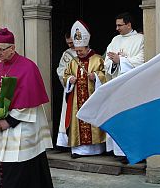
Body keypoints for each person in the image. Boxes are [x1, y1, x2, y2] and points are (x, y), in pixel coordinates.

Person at [0, 28, 57, 188]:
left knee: (17, 167)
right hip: (3, 127)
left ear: (12, 48)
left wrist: (8, 121)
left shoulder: (28, 67)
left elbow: (30, 102)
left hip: (23, 127)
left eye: (2, 49)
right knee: (13, 166)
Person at [59, 21, 107, 158]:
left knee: (92, 121)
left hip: (92, 97)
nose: (78, 53)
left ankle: (96, 149)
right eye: (77, 51)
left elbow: (105, 75)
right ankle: (78, 151)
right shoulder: (73, 62)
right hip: (76, 100)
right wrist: (69, 80)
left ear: (87, 47)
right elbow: (65, 75)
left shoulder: (97, 59)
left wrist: (96, 76)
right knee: (78, 120)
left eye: (80, 51)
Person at [103, 12, 145, 163]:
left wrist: (120, 60)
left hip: (134, 87)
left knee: (133, 119)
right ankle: (119, 152)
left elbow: (142, 60)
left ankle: (135, 153)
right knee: (119, 118)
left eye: (120, 25)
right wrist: (114, 62)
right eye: (116, 25)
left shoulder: (141, 39)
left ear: (129, 24)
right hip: (117, 87)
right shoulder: (115, 40)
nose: (117, 28)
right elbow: (106, 61)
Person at [55, 32, 77, 149]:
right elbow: (60, 70)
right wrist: (68, 78)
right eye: (68, 43)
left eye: (72, 43)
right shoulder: (67, 54)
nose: (70, 45)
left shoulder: (89, 52)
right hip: (71, 89)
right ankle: (67, 142)